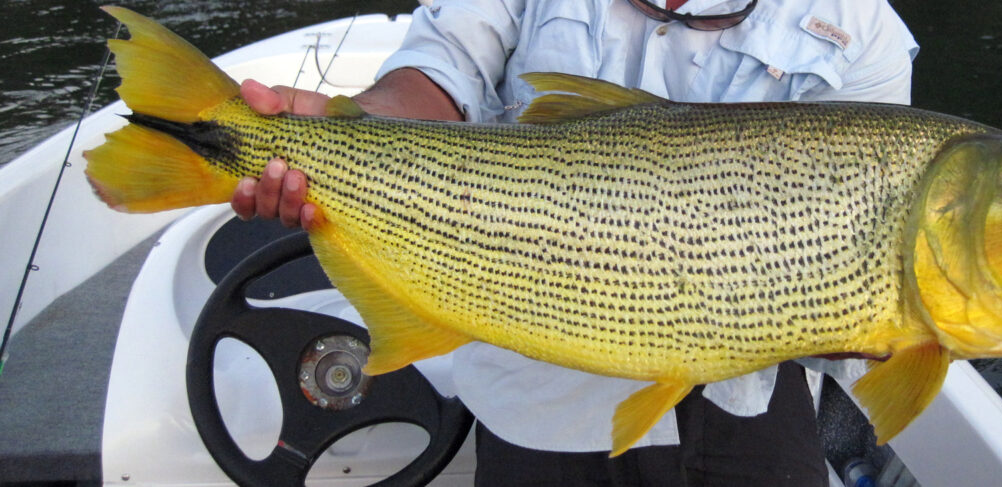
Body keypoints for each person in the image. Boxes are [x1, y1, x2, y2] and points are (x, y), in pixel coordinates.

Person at [234, 1, 918, 485]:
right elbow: (435, 77)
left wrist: (882, 310)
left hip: (745, 400)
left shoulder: (862, 27)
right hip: (533, 393)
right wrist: (349, 132)